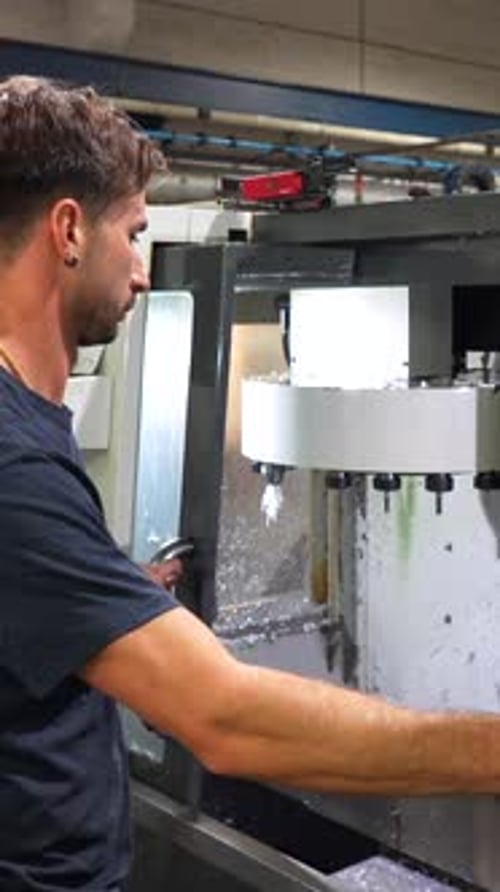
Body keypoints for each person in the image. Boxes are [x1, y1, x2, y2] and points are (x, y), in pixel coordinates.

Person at [0, 74, 499, 892]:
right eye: (134, 233)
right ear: (67, 231)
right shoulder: (14, 464)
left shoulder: (25, 428)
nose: (143, 275)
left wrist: (116, 592)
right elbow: (225, 720)